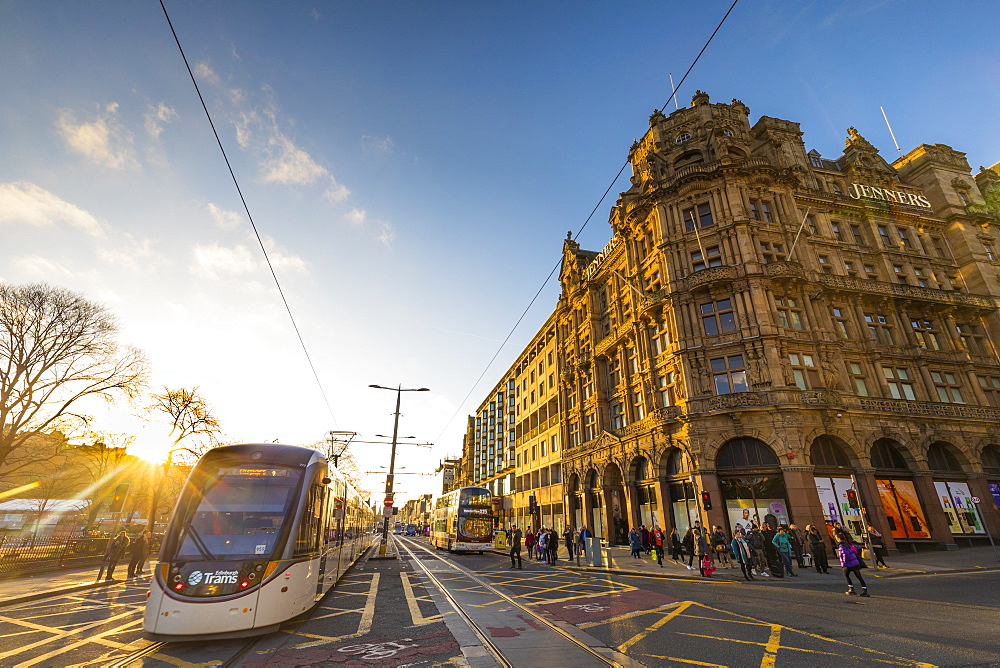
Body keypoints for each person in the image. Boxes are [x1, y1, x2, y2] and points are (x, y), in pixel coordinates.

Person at [836, 530, 870, 596]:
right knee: (859, 577)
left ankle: (851, 589)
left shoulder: (841, 546)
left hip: (848, 564)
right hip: (854, 562)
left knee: (846, 575)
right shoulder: (848, 544)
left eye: (836, 538)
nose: (836, 539)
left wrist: (844, 562)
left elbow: (845, 555)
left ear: (839, 539)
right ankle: (865, 590)